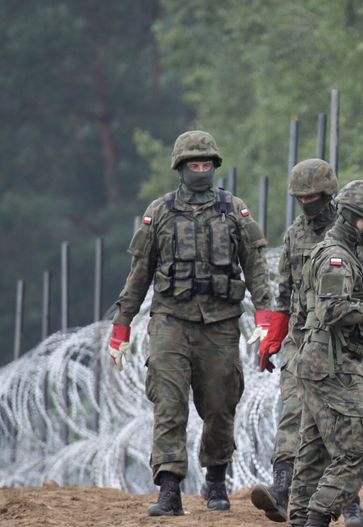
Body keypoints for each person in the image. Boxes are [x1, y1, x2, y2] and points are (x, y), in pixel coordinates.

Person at [107, 130, 276, 516]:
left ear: (214, 167)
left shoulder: (234, 210)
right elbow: (139, 274)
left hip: (220, 323)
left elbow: (256, 268)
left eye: (205, 164)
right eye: (193, 165)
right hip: (170, 321)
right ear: (180, 168)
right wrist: (121, 328)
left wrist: (267, 317)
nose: (200, 171)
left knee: (220, 405)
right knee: (169, 405)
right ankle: (169, 489)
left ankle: (216, 479)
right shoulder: (160, 213)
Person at [250, 160, 363, 527]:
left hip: (339, 338)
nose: (306, 203)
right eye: (300, 198)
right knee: (297, 414)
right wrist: (273, 336)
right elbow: (285, 291)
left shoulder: (353, 229)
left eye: (312, 197)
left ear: (329, 195)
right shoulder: (296, 235)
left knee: (337, 427)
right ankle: (284, 492)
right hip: (303, 337)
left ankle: (350, 506)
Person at [288, 180, 363, 527]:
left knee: (314, 451)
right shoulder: (337, 258)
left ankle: (300, 519)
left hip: (320, 362)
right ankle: (317, 518)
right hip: (333, 365)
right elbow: (332, 311)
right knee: (354, 454)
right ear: (352, 217)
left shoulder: (342, 251)